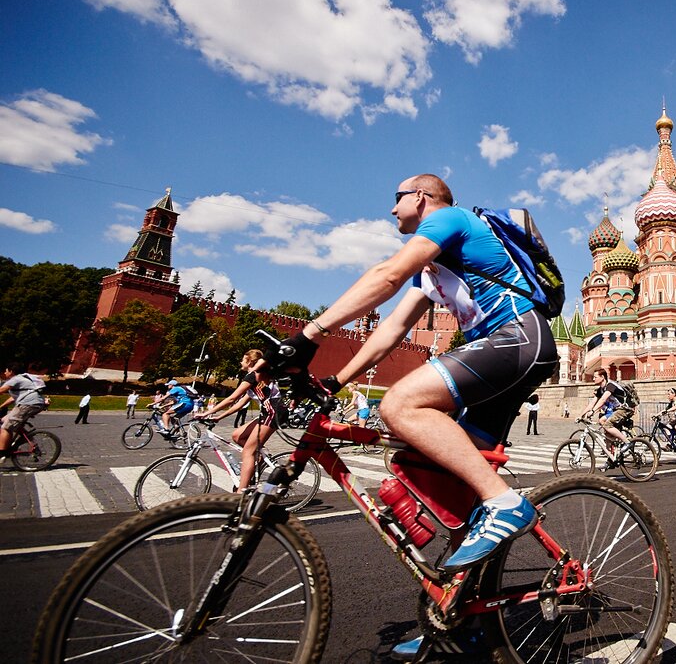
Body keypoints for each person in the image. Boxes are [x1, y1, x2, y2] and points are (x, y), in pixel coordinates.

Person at [273, 174, 557, 580]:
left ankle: (506, 503)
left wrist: (309, 334)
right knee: (457, 495)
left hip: (517, 338)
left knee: (400, 403)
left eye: (397, 198)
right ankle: (464, 623)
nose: (392, 209)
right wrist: (335, 381)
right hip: (503, 355)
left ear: (421, 197)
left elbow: (386, 275)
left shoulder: (450, 220)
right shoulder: (430, 272)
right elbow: (389, 332)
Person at [195, 349, 284, 492]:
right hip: (268, 412)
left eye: (243, 359)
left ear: (249, 361)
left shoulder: (252, 376)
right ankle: (261, 456)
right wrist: (218, 417)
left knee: (248, 451)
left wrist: (207, 412)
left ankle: (240, 493)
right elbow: (240, 404)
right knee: (237, 435)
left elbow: (231, 398)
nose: (240, 361)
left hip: (274, 412)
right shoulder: (256, 377)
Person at [581, 370, 633, 462]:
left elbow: (603, 399)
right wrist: (581, 415)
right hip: (616, 410)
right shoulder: (600, 390)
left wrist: (592, 411)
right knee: (605, 429)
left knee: (607, 425)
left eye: (595, 377)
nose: (593, 379)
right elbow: (592, 403)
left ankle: (627, 442)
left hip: (625, 409)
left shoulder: (610, 385)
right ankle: (612, 458)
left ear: (602, 377)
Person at [0, 366, 50, 458]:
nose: (5, 372)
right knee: (4, 420)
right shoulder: (23, 379)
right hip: (33, 403)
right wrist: (1, 406)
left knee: (6, 427)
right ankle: (31, 444)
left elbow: (1, 390)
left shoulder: (15, 379)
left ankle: (2, 452)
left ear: (11, 371)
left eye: (6, 370)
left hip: (28, 404)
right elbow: (12, 398)